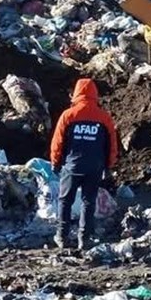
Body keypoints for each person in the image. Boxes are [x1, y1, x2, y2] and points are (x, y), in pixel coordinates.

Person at [49, 78, 118, 249]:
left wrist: (55, 162)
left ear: (77, 93)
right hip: (95, 168)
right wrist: (108, 166)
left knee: (65, 201)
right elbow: (112, 144)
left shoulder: (68, 115)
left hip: (72, 167)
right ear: (95, 95)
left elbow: (57, 142)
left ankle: (62, 237)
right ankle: (84, 239)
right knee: (89, 202)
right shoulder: (104, 117)